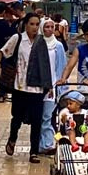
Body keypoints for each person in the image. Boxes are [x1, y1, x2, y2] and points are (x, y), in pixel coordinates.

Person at [0, 12, 44, 163]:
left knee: (37, 120)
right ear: (25, 25)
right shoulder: (17, 38)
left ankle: (34, 152)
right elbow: (2, 52)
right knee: (17, 117)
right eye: (32, 24)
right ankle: (12, 139)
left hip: (37, 88)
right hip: (20, 86)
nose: (35, 27)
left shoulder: (41, 42)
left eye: (37, 24)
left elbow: (45, 65)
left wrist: (48, 84)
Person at [32, 17, 66, 153]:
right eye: (47, 27)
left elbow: (62, 66)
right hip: (37, 86)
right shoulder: (37, 44)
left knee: (47, 116)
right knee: (38, 117)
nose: (50, 29)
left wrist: (60, 86)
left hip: (52, 87)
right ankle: (39, 144)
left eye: (52, 27)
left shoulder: (58, 46)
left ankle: (47, 144)